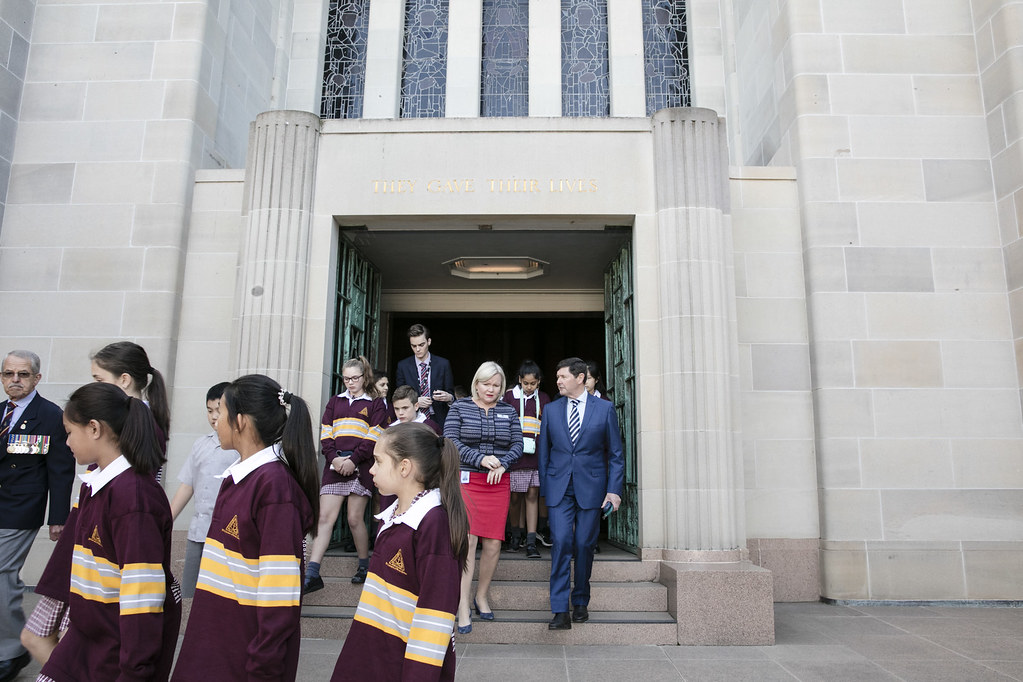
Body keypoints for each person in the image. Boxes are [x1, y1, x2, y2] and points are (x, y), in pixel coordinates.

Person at [23, 340, 172, 664]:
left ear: (124, 381)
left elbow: (133, 512)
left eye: (99, 381)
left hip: (101, 553)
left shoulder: (132, 482)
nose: (93, 388)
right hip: (88, 544)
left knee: (68, 644)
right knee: (54, 641)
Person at [171, 375, 320, 682]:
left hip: (241, 660)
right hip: (213, 649)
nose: (216, 421)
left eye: (221, 413)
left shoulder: (274, 488)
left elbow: (279, 598)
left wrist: (261, 670)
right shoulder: (240, 478)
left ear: (240, 421)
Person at [331, 422, 468, 681]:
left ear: (404, 467)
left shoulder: (433, 524)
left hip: (399, 665)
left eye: (378, 461)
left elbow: (434, 620)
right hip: (371, 657)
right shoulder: (394, 517)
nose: (371, 469)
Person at [0, 351, 75, 682]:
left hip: (19, 509)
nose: (15, 380)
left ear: (36, 379)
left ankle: (12, 649)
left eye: (23, 374)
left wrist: (57, 517)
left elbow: (60, 470)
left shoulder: (49, 415)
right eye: (8, 374)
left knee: (1, 574)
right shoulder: (0, 413)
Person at [537, 357, 624, 630]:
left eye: (563, 377)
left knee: (585, 545)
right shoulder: (550, 410)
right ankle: (560, 609)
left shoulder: (605, 409)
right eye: (558, 377)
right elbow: (544, 454)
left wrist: (614, 491)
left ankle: (581, 601)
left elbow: (616, 455)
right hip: (560, 488)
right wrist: (546, 488)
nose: (558, 381)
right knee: (561, 541)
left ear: (580, 378)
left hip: (592, 488)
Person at [444, 361, 522, 634]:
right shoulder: (459, 407)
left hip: (498, 481)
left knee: (492, 543)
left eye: (496, 385)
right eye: (486, 384)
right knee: (469, 539)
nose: (491, 389)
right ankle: (462, 603)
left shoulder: (508, 411)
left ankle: (481, 595)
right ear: (476, 383)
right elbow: (450, 440)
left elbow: (518, 444)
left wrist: (502, 464)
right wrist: (480, 458)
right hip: (467, 480)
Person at [305, 357, 386, 592]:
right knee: (324, 519)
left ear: (364, 377)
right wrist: (335, 459)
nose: (350, 383)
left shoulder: (375, 403)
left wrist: (353, 461)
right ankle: (312, 573)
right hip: (335, 466)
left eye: (355, 378)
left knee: (353, 518)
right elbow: (326, 434)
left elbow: (374, 437)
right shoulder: (334, 402)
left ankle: (363, 565)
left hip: (360, 467)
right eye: (346, 378)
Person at [168, 382, 240, 598]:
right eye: (210, 411)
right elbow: (187, 484)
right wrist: (166, 520)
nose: (214, 417)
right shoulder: (201, 444)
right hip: (198, 531)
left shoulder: (239, 447)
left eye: (219, 410)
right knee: (190, 591)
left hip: (227, 534)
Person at [502, 360, 550, 559]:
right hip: (515, 455)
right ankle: (515, 535)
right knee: (515, 497)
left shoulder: (545, 399)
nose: (529, 387)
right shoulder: (509, 397)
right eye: (526, 383)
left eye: (533, 384)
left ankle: (531, 541)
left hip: (537, 455)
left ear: (539, 382)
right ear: (520, 380)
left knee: (533, 495)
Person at [394, 324, 455, 425]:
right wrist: (415, 401)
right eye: (414, 346)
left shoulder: (443, 364)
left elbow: (452, 395)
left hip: (438, 418)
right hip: (413, 418)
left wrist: (449, 398)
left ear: (429, 342)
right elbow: (400, 396)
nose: (417, 349)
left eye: (421, 345)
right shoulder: (403, 366)